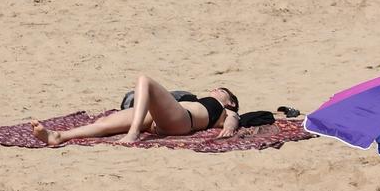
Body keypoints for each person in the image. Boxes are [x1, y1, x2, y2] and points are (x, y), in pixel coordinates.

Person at [31, 77, 260, 146]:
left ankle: (133, 133)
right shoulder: (196, 98)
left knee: (145, 81)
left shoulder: (223, 110)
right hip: (163, 118)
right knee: (105, 122)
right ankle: (58, 136)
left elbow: (233, 119)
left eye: (221, 90)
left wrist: (230, 129)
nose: (215, 89)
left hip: (183, 121)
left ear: (230, 101)